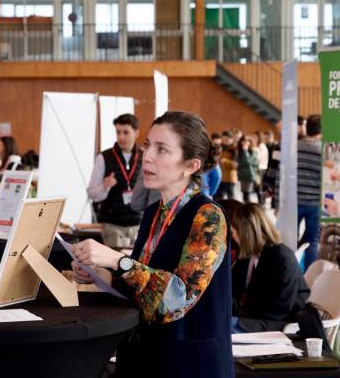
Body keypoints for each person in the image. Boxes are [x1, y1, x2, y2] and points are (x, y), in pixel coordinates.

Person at [72, 111, 232, 377]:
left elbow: (177, 298)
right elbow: (144, 285)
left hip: (188, 363)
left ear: (190, 165)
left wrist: (116, 261)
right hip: (149, 357)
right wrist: (103, 276)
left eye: (162, 150)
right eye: (147, 145)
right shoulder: (153, 212)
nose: (147, 156)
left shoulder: (208, 216)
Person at [230, 203, 309, 333]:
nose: (233, 237)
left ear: (245, 233)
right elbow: (236, 293)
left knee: (222, 326)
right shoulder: (253, 257)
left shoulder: (280, 258)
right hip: (258, 319)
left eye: (234, 232)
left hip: (279, 325)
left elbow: (278, 310)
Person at [87, 114, 144, 248]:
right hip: (113, 226)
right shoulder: (104, 157)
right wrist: (104, 186)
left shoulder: (145, 157)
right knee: (116, 267)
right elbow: (91, 193)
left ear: (136, 133)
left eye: (125, 132)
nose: (121, 137)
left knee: (137, 267)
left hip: (139, 226)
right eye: (118, 132)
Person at [298, 114, 323, 269]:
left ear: (306, 128)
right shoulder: (323, 150)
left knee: (289, 239)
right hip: (315, 202)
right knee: (313, 241)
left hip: (295, 201)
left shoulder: (295, 147)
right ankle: (309, 277)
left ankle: (290, 276)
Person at [237, 135, 260, 203]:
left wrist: (245, 151)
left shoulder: (254, 151)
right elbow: (239, 163)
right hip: (242, 175)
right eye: (243, 141)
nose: (244, 143)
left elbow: (248, 162)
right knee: (244, 194)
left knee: (248, 194)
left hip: (250, 175)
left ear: (250, 142)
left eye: (247, 141)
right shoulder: (240, 151)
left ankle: (248, 209)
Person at [215, 130, 238, 200]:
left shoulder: (235, 149)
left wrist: (226, 161)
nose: (224, 141)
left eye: (226, 139)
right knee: (217, 198)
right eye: (223, 139)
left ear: (231, 139)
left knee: (231, 198)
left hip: (230, 178)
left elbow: (236, 165)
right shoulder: (221, 147)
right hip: (221, 177)